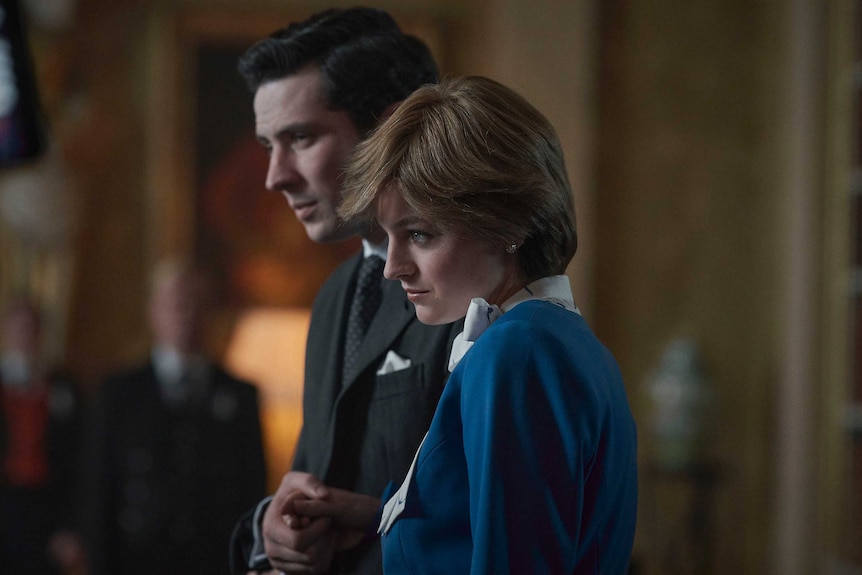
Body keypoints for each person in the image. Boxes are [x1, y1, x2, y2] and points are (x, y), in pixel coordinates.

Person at [284, 76, 639, 574]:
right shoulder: (562, 340)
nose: (393, 267)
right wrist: (376, 516)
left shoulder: (516, 351)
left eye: (420, 234)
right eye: (390, 236)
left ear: (510, 223)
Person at [229, 7, 460, 575]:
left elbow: (511, 522)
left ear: (389, 128)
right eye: (268, 146)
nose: (274, 176)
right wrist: (270, 531)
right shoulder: (336, 296)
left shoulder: (475, 285)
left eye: (300, 137)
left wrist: (379, 515)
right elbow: (309, 484)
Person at [77, 258, 267, 575]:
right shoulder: (118, 393)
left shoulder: (241, 395)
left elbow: (252, 485)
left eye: (196, 304)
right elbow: (97, 487)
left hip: (215, 559)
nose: (186, 314)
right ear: (153, 312)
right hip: (136, 559)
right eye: (176, 303)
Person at [0, 296, 84, 574]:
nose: (25, 336)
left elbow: (77, 463)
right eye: (18, 328)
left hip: (46, 510)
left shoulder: (64, 388)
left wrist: (70, 525)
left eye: (31, 328)